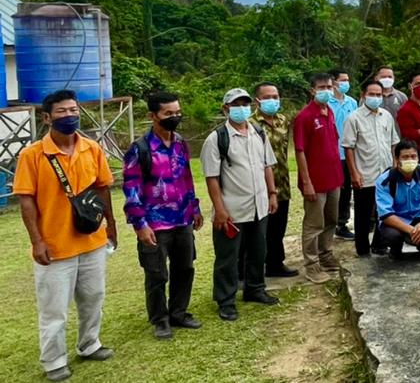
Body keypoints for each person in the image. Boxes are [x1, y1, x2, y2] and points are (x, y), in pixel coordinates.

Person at [14, 89, 117, 381]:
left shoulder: (91, 148)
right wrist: (37, 241)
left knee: (93, 297)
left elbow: (102, 189)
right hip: (55, 246)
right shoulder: (32, 155)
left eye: (73, 110)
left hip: (92, 241)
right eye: (62, 111)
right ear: (47, 118)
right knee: (54, 309)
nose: (70, 115)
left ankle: (89, 344)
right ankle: (54, 361)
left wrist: (110, 225)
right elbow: (26, 200)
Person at [123, 91, 203, 340]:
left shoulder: (180, 143)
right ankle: (160, 319)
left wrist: (194, 208)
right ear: (153, 116)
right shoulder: (140, 149)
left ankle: (179, 312)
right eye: (168, 113)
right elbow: (132, 189)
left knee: (185, 268)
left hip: (182, 219)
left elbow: (186, 178)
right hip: (155, 224)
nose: (174, 117)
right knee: (157, 274)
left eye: (177, 112)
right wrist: (140, 224)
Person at [203, 88, 280, 321]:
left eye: (245, 104)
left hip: (259, 204)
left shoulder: (258, 132)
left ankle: (255, 289)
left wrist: (272, 193)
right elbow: (211, 177)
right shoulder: (217, 139)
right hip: (232, 209)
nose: (241, 108)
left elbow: (267, 165)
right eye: (236, 104)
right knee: (228, 256)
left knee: (258, 250)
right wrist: (219, 209)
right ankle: (226, 300)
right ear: (225, 109)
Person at [293, 73, 345, 285]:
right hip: (315, 181)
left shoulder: (329, 111)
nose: (326, 91)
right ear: (312, 90)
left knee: (331, 219)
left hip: (334, 177)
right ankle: (312, 264)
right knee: (314, 223)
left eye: (329, 87)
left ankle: (326, 254)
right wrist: (306, 182)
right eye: (322, 87)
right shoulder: (304, 117)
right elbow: (300, 151)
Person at [342, 80, 400, 257]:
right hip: (365, 174)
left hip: (386, 173)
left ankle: (379, 244)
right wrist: (354, 173)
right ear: (363, 95)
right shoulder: (354, 118)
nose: (375, 97)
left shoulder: (386, 116)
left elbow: (393, 143)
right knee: (363, 214)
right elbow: (349, 147)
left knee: (385, 211)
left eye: (378, 95)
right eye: (372, 94)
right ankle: (362, 249)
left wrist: (395, 166)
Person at [252, 82, 298, 278]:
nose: (272, 100)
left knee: (278, 228)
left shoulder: (283, 121)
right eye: (267, 97)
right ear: (257, 101)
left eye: (275, 97)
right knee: (258, 230)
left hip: (282, 182)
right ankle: (249, 269)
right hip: (259, 186)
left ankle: (275, 264)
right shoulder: (250, 124)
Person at [327, 69, 358, 241]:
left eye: (347, 80)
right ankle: (328, 224)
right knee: (333, 192)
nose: (346, 83)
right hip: (332, 155)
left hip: (349, 153)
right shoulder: (327, 102)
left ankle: (342, 224)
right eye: (343, 80)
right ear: (333, 81)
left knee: (347, 191)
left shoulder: (352, 102)